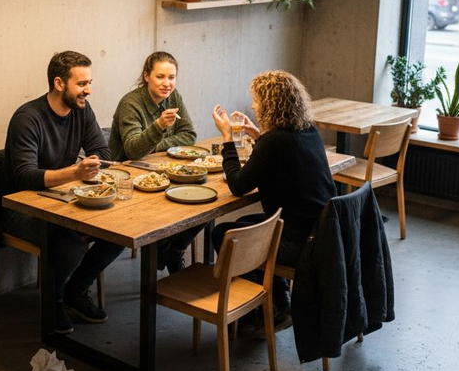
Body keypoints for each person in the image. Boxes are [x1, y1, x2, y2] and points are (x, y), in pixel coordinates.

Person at [1, 51, 125, 335]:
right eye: (82, 84)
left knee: (118, 233)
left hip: (65, 198)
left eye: (89, 82)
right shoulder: (27, 118)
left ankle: (75, 290)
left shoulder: (82, 109)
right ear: (59, 83)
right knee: (69, 245)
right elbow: (24, 176)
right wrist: (75, 172)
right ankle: (53, 302)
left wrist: (90, 165)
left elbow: (103, 152)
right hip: (22, 207)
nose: (88, 90)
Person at [210, 70, 335, 335]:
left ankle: (251, 311)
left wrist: (226, 140)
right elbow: (283, 153)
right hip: (322, 233)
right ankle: (278, 304)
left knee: (224, 233)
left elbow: (238, 185)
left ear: (270, 104)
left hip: (302, 244)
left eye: (256, 100)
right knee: (247, 224)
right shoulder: (308, 131)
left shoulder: (274, 142)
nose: (253, 105)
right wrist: (259, 136)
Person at [109, 51, 200, 273]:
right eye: (160, 77)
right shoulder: (131, 103)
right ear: (147, 75)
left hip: (161, 172)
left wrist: (156, 143)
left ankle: (172, 250)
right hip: (128, 179)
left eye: (172, 77)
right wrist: (159, 127)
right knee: (178, 208)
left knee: (201, 205)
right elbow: (132, 150)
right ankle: (165, 250)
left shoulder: (174, 96)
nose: (167, 84)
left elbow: (189, 135)